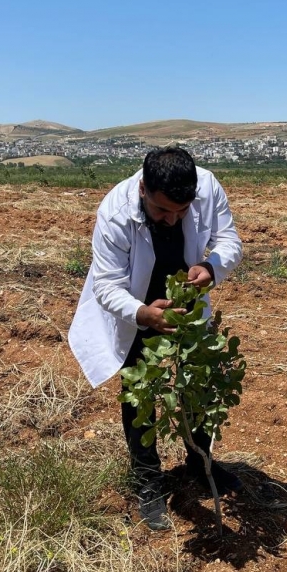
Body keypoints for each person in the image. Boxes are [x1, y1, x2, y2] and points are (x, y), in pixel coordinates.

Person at [68, 146, 243, 530]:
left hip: (187, 303)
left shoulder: (208, 188)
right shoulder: (114, 212)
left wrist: (211, 267)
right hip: (136, 306)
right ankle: (147, 480)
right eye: (163, 211)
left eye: (182, 212)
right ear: (144, 189)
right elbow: (107, 285)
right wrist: (144, 314)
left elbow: (230, 240)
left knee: (197, 381)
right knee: (140, 393)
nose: (173, 219)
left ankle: (201, 462)